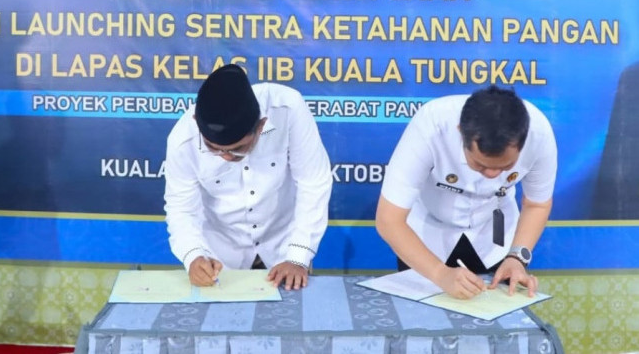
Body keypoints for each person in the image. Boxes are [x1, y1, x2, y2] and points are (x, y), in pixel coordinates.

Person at [375, 85, 556, 299]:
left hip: (495, 240)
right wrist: (440, 274)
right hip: (425, 239)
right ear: (461, 132)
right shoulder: (431, 125)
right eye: (480, 165)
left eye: (505, 167)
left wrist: (517, 258)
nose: (491, 175)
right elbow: (389, 220)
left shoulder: (539, 135)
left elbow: (537, 204)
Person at [164, 63, 333, 290]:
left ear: (261, 126)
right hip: (220, 259)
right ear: (196, 122)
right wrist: (193, 256)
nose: (226, 157)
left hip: (286, 250)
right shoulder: (182, 140)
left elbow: (313, 183)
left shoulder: (287, 109)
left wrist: (298, 256)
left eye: (237, 149)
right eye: (214, 149)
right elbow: (181, 208)